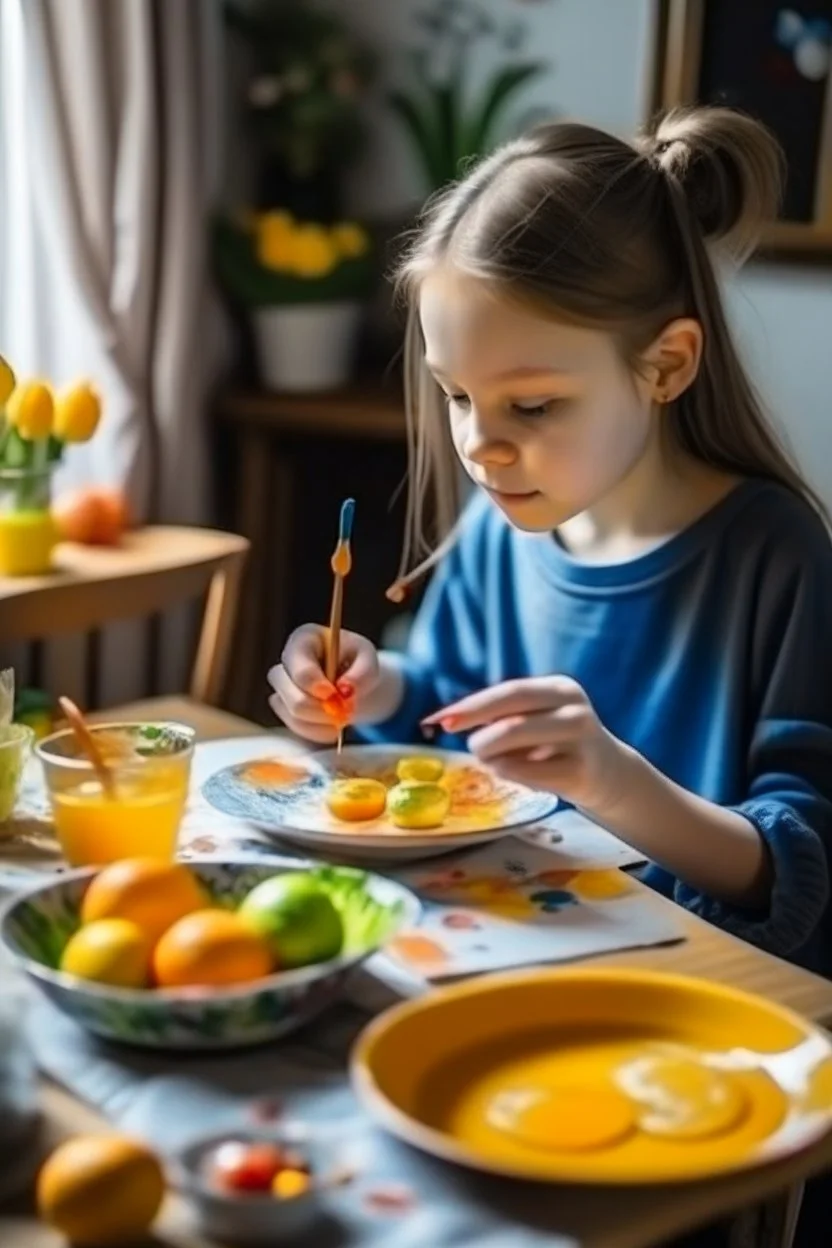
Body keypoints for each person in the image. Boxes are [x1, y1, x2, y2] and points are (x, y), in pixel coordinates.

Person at [268, 105, 832, 979]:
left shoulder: (776, 557)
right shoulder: (502, 518)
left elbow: (801, 873)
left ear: (667, 365)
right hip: (494, 951)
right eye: (457, 396)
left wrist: (615, 782)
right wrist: (371, 686)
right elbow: (446, 698)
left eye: (531, 406)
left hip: (693, 1000)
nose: (480, 447)